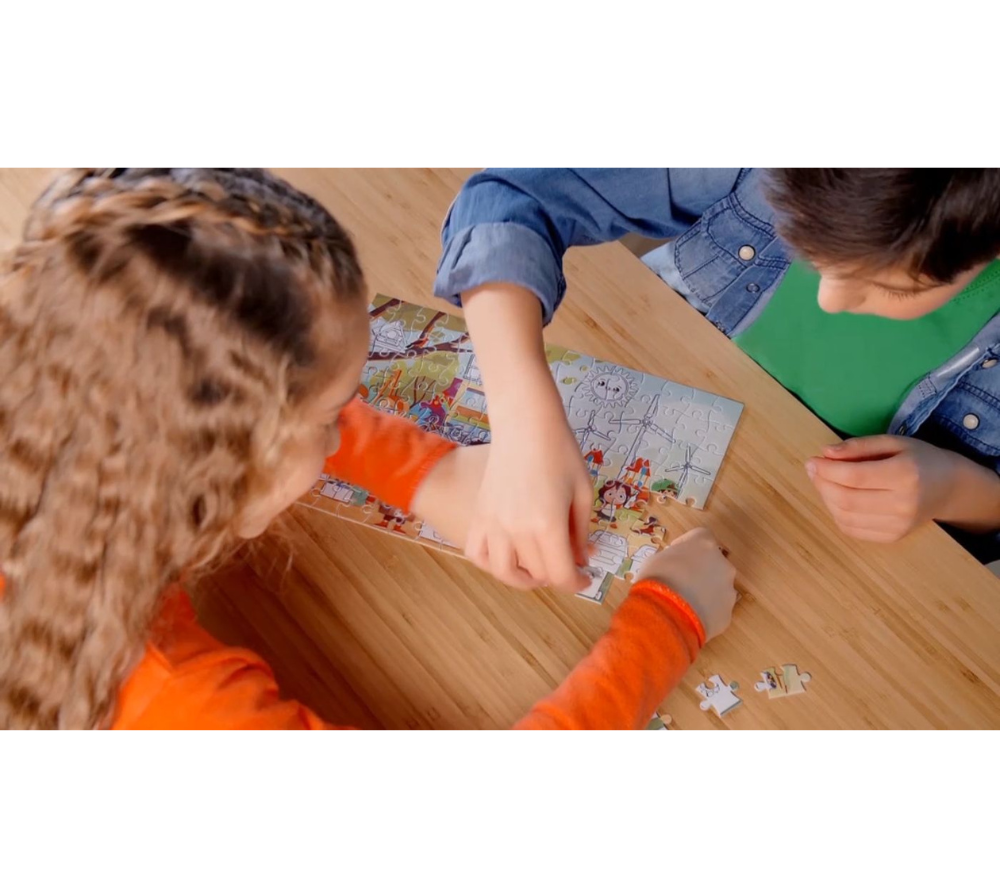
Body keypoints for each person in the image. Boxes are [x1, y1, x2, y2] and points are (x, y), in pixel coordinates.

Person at [0, 168, 737, 730]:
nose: (340, 426)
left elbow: (210, 378)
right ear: (230, 461)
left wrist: (430, 474)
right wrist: (667, 621)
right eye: (330, 416)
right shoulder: (193, 709)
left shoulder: (51, 379)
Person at [434, 168, 1000, 590]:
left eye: (896, 288)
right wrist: (523, 422)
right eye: (806, 242)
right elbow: (513, 195)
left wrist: (958, 489)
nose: (830, 298)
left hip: (805, 550)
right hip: (654, 382)